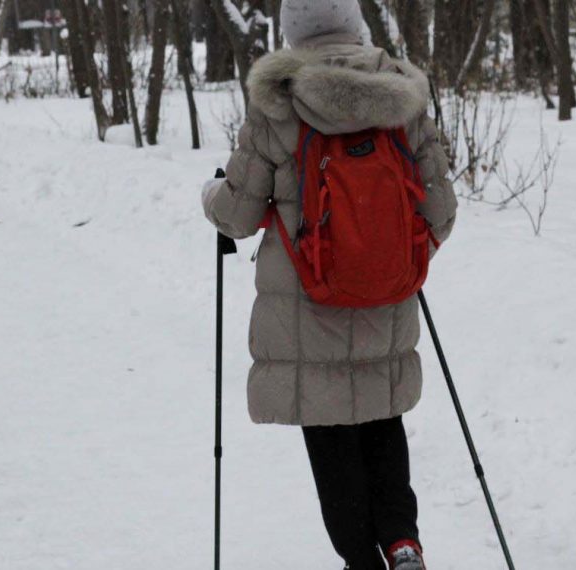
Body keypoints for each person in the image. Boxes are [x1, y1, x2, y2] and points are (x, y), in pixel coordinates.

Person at [201, 0, 458, 568]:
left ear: (293, 31)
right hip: (386, 298)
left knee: (331, 435)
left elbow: (238, 216)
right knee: (382, 418)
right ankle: (403, 543)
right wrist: (394, 257)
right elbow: (440, 211)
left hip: (306, 306)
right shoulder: (403, 96)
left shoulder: (277, 100)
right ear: (354, 23)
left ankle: (360, 560)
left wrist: (209, 198)